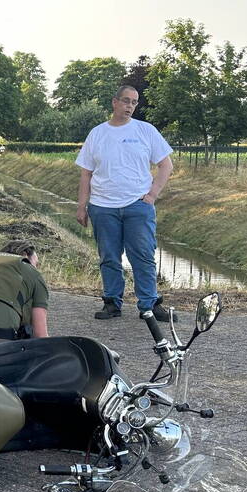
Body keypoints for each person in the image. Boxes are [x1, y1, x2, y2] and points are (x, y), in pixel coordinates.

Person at [75, 85, 175, 322]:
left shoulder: (145, 131)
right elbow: (86, 174)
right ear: (115, 102)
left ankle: (149, 304)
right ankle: (112, 303)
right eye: (126, 101)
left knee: (143, 255)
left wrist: (151, 196)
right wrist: (82, 206)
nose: (130, 106)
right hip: (102, 207)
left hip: (137, 206)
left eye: (134, 102)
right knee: (109, 257)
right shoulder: (97, 134)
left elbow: (166, 165)